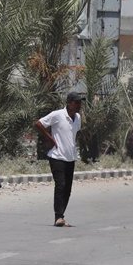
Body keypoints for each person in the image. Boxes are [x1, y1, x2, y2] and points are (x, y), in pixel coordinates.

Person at [34, 92, 83, 227]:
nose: (79, 105)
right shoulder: (57, 115)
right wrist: (50, 138)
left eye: (80, 103)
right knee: (60, 185)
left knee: (67, 188)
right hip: (56, 156)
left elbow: (74, 134)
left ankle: (61, 216)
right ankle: (58, 217)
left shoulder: (78, 118)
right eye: (77, 102)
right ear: (69, 103)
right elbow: (39, 124)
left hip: (70, 157)